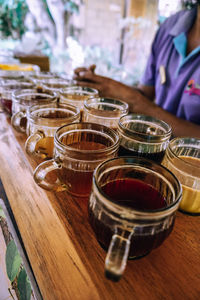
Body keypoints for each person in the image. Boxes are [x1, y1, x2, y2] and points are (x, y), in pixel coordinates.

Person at [74, 2, 200, 138]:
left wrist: (138, 103)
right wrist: (101, 87)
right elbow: (145, 94)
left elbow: (141, 103)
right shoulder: (171, 26)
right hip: (155, 145)